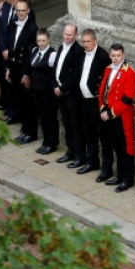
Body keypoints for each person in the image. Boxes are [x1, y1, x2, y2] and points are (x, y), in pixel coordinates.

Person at [98, 43, 135, 187]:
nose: (116, 59)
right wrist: (102, 108)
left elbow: (127, 99)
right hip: (107, 114)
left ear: (123, 55)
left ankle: (127, 178)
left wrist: (110, 113)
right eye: (113, 56)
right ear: (110, 55)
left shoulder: (130, 72)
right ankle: (120, 176)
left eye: (118, 56)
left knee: (125, 147)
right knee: (114, 145)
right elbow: (103, 90)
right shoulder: (108, 69)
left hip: (121, 116)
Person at [73, 29, 110, 175]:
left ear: (95, 41)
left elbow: (106, 82)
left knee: (103, 136)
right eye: (83, 41)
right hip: (84, 100)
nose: (85, 44)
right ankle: (92, 162)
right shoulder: (81, 53)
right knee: (88, 133)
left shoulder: (103, 57)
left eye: (88, 41)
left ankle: (106, 169)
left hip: (97, 102)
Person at [4, 0, 38, 141]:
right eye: (18, 11)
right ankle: (24, 130)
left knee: (28, 103)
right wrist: (8, 68)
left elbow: (31, 54)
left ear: (28, 11)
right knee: (19, 100)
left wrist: (26, 74)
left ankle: (31, 133)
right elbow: (11, 48)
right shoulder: (13, 24)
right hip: (14, 67)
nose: (21, 13)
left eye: (23, 10)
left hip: (24, 69)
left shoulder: (32, 29)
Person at [22, 29, 58, 154]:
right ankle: (46, 141)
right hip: (36, 90)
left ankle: (52, 143)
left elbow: (55, 74)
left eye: (43, 40)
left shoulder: (52, 55)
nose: (41, 43)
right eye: (39, 41)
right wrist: (26, 76)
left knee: (49, 117)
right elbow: (29, 66)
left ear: (49, 40)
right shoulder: (34, 51)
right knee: (42, 117)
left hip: (47, 92)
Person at [53, 23, 84, 165]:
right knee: (66, 123)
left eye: (70, 34)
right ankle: (70, 151)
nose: (67, 37)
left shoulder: (78, 51)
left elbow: (75, 75)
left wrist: (63, 88)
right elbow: (56, 69)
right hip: (60, 92)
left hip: (71, 94)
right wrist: (55, 85)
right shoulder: (60, 48)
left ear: (76, 35)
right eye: (66, 34)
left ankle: (79, 155)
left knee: (75, 125)